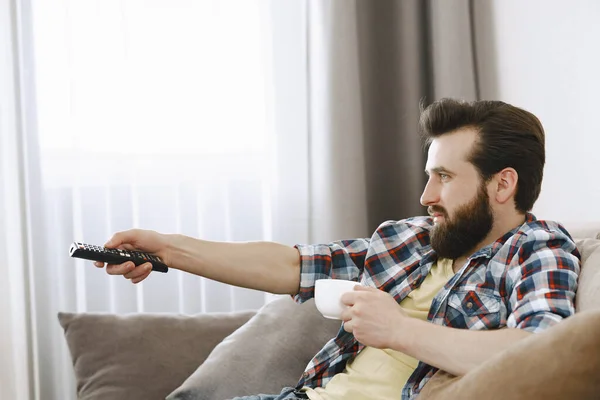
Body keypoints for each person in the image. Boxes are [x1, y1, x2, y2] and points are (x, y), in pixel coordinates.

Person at [95, 98, 581, 400]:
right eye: (430, 174)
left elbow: (534, 350)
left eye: (445, 177)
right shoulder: (411, 239)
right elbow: (292, 264)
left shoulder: (537, 248)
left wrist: (398, 330)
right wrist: (170, 250)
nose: (425, 195)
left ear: (503, 185)